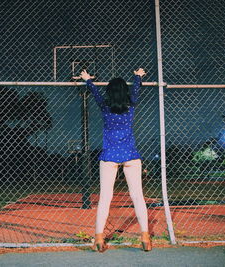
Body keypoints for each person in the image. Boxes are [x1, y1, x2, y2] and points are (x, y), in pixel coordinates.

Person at [80, 68, 151, 252]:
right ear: (125, 93)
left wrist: (88, 79)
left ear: (110, 93)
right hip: (130, 155)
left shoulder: (105, 107)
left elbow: (95, 92)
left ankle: (98, 238)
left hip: (110, 155)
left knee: (105, 197)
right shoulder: (131, 106)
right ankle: (145, 236)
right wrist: (138, 76)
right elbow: (136, 91)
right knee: (137, 196)